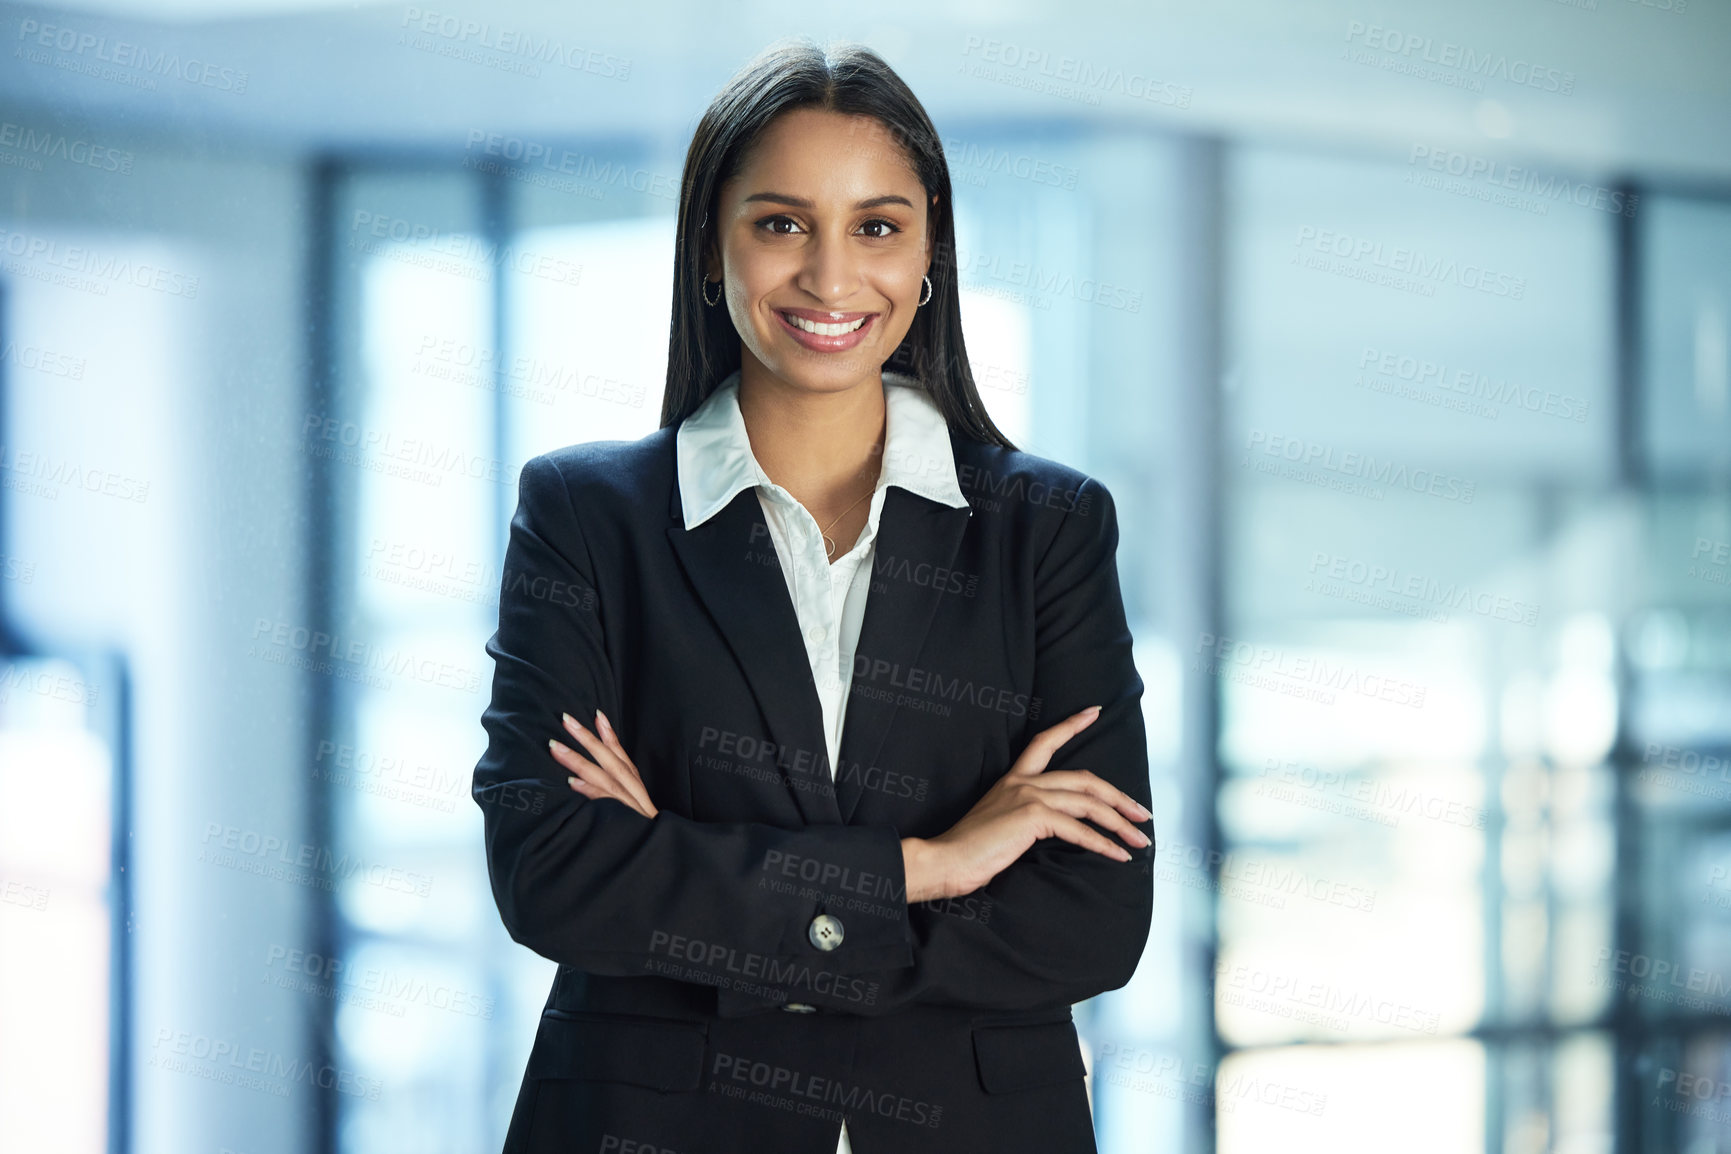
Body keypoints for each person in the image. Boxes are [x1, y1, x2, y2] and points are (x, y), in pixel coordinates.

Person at [472, 37, 1154, 1154]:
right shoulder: (588, 516)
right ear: (711, 246)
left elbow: (1090, 921)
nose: (832, 278)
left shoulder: (1051, 529)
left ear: (931, 248)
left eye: (877, 226)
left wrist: (691, 876)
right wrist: (928, 867)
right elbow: (556, 875)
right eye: (781, 222)